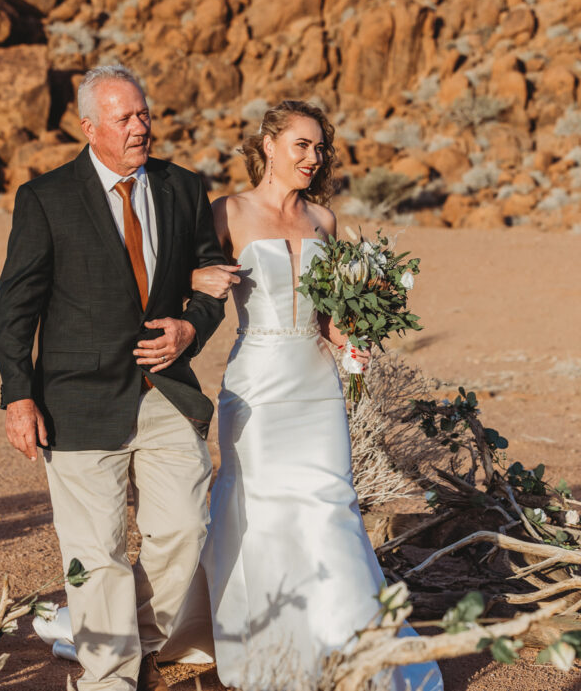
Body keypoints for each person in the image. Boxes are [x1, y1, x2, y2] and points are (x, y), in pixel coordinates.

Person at [190, 100, 444, 691]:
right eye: (301, 145)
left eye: (319, 147)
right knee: (261, 510)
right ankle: (270, 647)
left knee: (330, 508)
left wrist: (359, 332)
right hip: (256, 384)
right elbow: (186, 283)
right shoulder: (227, 213)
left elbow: (331, 320)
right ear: (269, 144)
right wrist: (195, 279)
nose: (313, 157)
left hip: (317, 386)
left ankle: (352, 653)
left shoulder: (325, 221)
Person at [0, 64, 227, 691]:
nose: (139, 127)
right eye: (124, 118)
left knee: (182, 533)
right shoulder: (46, 198)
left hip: (165, 393)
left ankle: (140, 644)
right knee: (96, 557)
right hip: (75, 402)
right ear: (89, 126)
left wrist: (191, 328)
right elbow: (16, 307)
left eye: (144, 114)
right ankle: (109, 678)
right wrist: (19, 397)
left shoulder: (183, 188)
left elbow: (211, 277)